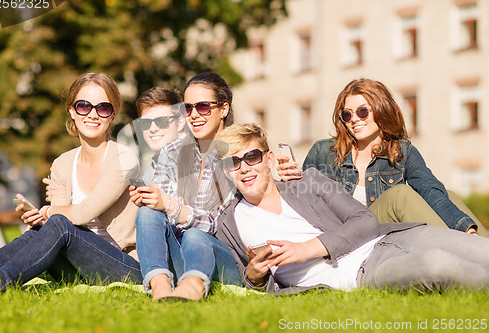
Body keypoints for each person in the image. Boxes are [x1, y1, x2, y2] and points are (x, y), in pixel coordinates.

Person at [215, 123, 489, 294]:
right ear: (226, 172)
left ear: (269, 158)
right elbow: (246, 282)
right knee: (438, 265)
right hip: (362, 271)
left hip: (393, 237)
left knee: (480, 249)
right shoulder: (229, 224)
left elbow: (366, 220)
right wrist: (255, 277)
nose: (244, 168)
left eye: (251, 156)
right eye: (233, 163)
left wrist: (305, 249)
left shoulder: (309, 180)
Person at [0, 73, 142, 295]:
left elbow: (79, 214)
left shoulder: (124, 159)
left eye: (103, 108)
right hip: (75, 266)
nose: (93, 114)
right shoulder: (62, 163)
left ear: (113, 114)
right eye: (83, 106)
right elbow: (57, 223)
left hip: (123, 265)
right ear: (71, 110)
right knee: (39, 232)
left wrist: (48, 212)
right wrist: (41, 219)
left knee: (58, 223)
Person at [277, 78, 488, 237]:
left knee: (446, 194)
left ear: (381, 109)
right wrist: (290, 183)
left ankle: (478, 245)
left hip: (383, 234)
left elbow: (430, 190)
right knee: (399, 195)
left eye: (362, 111)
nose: (354, 120)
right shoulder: (324, 151)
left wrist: (467, 228)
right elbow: (302, 207)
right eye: (347, 114)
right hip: (343, 235)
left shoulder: (402, 151)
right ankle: (465, 250)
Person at [130, 73, 242, 302]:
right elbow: (162, 210)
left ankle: (194, 288)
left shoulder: (238, 154)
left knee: (194, 235)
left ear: (224, 109)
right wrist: (151, 200)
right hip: (179, 251)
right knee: (147, 212)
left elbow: (217, 225)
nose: (194, 115)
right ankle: (160, 286)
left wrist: (172, 206)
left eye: (203, 107)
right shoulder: (173, 151)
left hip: (218, 256)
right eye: (189, 108)